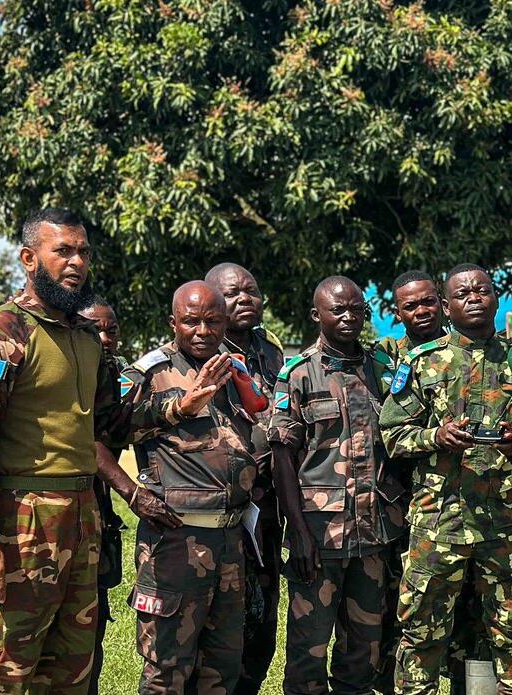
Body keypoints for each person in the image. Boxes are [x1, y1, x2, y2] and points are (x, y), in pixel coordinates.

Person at [0, 207, 133, 693]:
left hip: (83, 514)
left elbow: (110, 423)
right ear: (30, 258)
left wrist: (177, 408)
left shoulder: (87, 336)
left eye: (83, 252)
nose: (77, 262)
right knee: (7, 671)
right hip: (21, 523)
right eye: (63, 251)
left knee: (72, 670)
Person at [380, 263, 512, 695]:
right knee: (422, 631)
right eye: (462, 294)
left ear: (496, 298)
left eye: (481, 291)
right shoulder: (423, 361)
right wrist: (436, 436)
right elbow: (391, 434)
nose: (474, 299)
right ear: (447, 306)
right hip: (439, 520)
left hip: (505, 522)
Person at [268, 276, 405, 695]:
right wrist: (300, 533)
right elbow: (282, 459)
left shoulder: (384, 370)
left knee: (364, 650)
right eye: (337, 310)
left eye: (357, 310)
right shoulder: (297, 375)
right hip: (320, 536)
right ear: (317, 315)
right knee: (308, 650)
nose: (349, 318)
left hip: (374, 535)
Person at [120, 280, 257, 694]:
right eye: (191, 321)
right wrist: (179, 408)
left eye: (212, 321)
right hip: (176, 542)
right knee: (167, 669)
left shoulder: (234, 369)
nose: (202, 331)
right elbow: (104, 433)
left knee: (222, 667)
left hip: (231, 540)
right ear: (173, 322)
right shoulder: (149, 373)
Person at [205, 262, 285, 695]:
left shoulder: (270, 353)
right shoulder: (196, 353)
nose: (244, 300)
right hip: (215, 515)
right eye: (233, 293)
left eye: (251, 291)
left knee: (261, 620)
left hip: (266, 509)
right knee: (217, 625)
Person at [371, 270, 449, 695]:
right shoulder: (384, 356)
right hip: (393, 496)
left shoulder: (470, 349)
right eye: (410, 305)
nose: (421, 311)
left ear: (441, 301)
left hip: (449, 504)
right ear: (397, 312)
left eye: (427, 302)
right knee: (394, 605)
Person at [80, 299, 130, 695]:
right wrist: (132, 492)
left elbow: (116, 430)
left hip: (94, 517)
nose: (105, 338)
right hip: (41, 520)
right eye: (95, 328)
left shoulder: (111, 372)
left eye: (111, 330)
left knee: (89, 629)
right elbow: (86, 440)